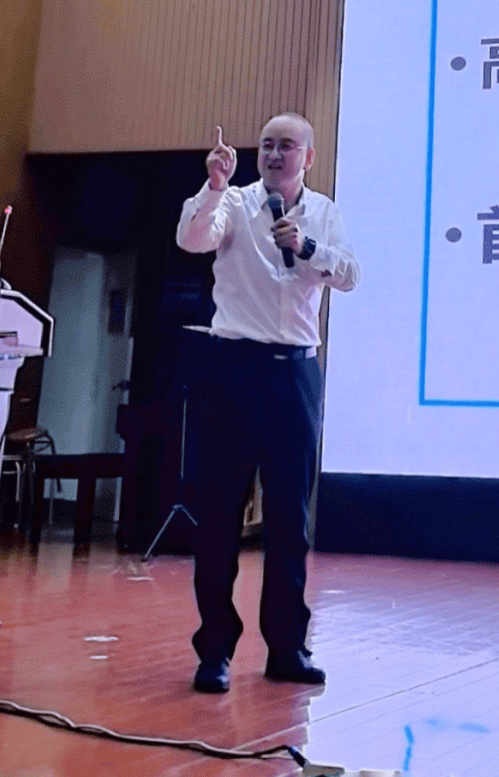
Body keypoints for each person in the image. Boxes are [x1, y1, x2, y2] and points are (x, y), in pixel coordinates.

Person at [175, 114, 359, 694]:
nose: (275, 155)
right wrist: (213, 186)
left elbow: (350, 274)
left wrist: (305, 247)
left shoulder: (323, 212)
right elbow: (192, 239)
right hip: (233, 369)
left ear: (309, 157)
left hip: (296, 374)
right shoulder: (233, 202)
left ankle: (286, 648)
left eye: (287, 146)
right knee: (219, 515)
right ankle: (215, 651)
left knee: (289, 519)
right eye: (267, 145)